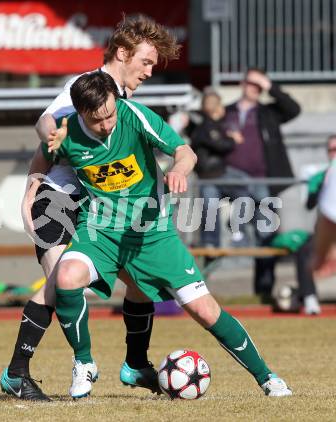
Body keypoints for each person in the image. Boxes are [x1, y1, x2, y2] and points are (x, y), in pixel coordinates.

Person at [42, 72, 291, 399]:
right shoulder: (66, 132)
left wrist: (177, 169)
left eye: (110, 113)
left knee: (204, 310)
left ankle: (268, 378)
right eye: (98, 119)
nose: (107, 123)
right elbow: (46, 144)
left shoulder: (135, 117)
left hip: (152, 231)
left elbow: (186, 151)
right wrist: (35, 178)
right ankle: (84, 363)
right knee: (67, 276)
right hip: (99, 227)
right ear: (80, 112)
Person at [0, 15, 181, 401]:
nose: (149, 72)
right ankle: (18, 373)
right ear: (121, 53)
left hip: (91, 206)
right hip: (58, 201)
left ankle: (135, 364)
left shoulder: (120, 100)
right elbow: (45, 120)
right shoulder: (89, 87)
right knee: (59, 284)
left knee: (138, 280)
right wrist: (39, 170)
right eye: (146, 62)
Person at [223, 68, 301, 299]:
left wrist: (270, 86)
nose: (254, 89)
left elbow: (293, 109)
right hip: (229, 186)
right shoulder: (226, 112)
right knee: (215, 227)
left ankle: (263, 290)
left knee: (266, 236)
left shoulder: (269, 113)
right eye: (251, 83)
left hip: (265, 184)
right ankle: (201, 292)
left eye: (258, 86)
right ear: (242, 83)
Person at [190, 88, 248, 247]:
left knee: (211, 210)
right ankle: (228, 231)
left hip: (211, 176)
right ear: (216, 108)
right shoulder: (208, 126)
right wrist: (233, 140)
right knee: (246, 186)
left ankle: (213, 241)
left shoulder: (206, 125)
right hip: (213, 175)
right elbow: (220, 145)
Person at [313, 138, 336, 277]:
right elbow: (310, 205)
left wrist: (320, 257)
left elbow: (328, 220)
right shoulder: (321, 176)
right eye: (332, 149)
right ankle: (309, 296)